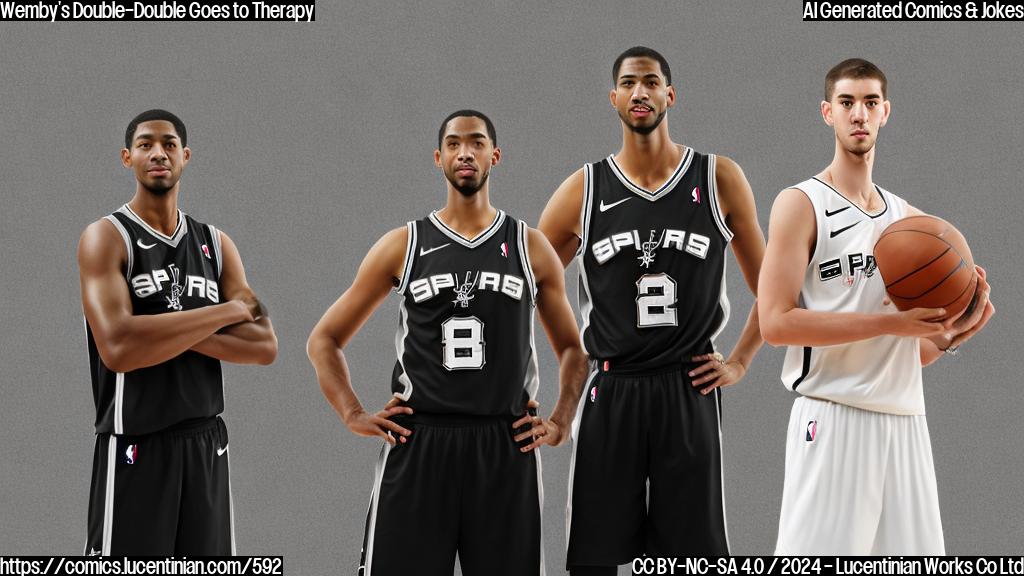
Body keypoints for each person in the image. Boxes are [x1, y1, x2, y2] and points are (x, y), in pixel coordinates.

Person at [307, 110, 587, 576]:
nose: (465, 153)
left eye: (477, 143)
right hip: (420, 441)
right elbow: (324, 339)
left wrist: (560, 421)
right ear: (438, 158)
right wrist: (352, 412)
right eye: (454, 144)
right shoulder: (404, 244)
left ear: (495, 156)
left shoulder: (530, 246)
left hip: (504, 444)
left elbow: (574, 350)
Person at [538, 46, 766, 572]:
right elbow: (523, 286)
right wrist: (568, 357)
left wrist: (739, 361)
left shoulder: (717, 177)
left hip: (688, 386)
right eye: (628, 83)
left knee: (695, 560)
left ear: (670, 95)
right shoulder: (584, 189)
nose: (640, 92)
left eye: (651, 82)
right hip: (612, 386)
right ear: (613, 98)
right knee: (594, 560)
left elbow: (773, 291)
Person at [759, 58, 995, 555]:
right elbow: (775, 323)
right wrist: (891, 323)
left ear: (885, 112)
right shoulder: (801, 203)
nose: (859, 114)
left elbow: (906, 351)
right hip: (833, 419)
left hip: (906, 423)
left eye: (870, 102)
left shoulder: (909, 219)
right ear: (827, 112)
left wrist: (948, 336)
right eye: (846, 102)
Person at [78, 109, 278, 555]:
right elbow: (118, 348)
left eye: (169, 144)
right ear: (127, 157)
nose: (158, 153)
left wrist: (156, 329)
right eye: (145, 144)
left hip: (206, 443)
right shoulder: (106, 237)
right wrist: (224, 311)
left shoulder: (216, 244)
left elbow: (264, 345)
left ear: (185, 156)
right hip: (135, 444)